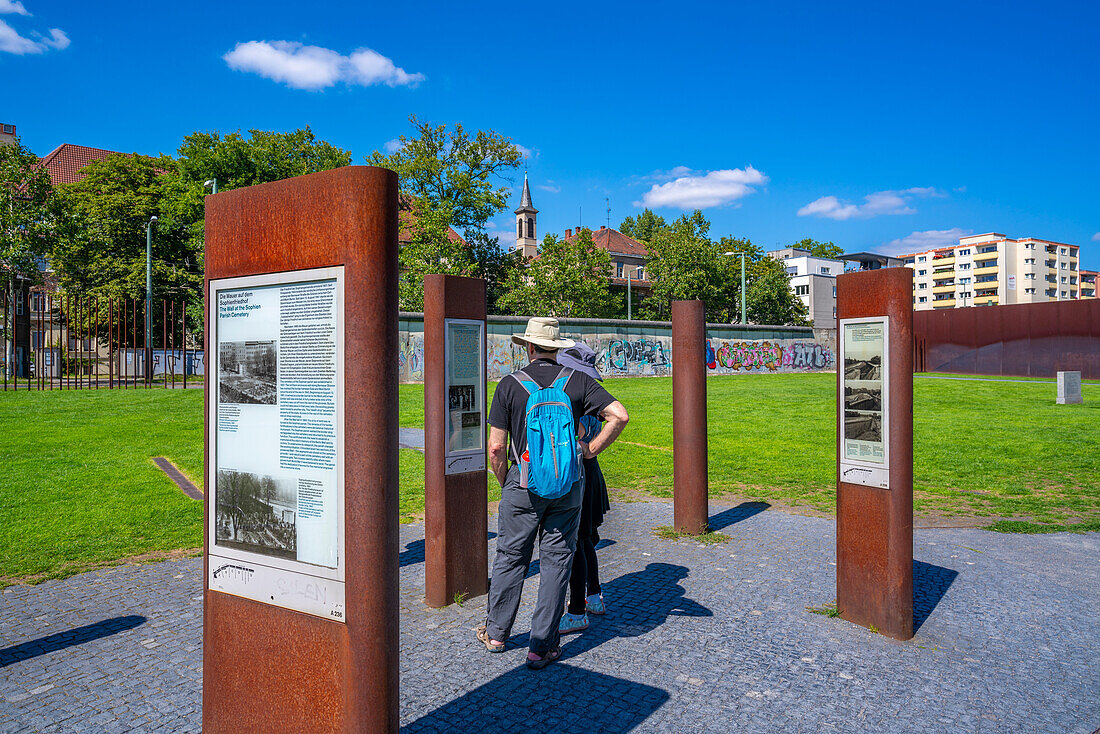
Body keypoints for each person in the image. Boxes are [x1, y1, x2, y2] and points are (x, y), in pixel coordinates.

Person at [477, 317, 629, 670]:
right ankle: (541, 646)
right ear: (557, 349)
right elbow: (618, 416)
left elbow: (496, 449)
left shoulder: (509, 385)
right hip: (568, 485)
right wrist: (588, 450)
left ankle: (497, 633)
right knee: (557, 561)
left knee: (511, 558)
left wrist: (508, 482)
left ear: (528, 347)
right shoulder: (578, 381)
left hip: (522, 482)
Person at [555, 343, 612, 634]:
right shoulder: (592, 393)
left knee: (576, 542)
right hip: (590, 471)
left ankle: (577, 610)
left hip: (577, 472)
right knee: (586, 539)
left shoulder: (571, 393)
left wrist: (586, 449)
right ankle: (594, 595)